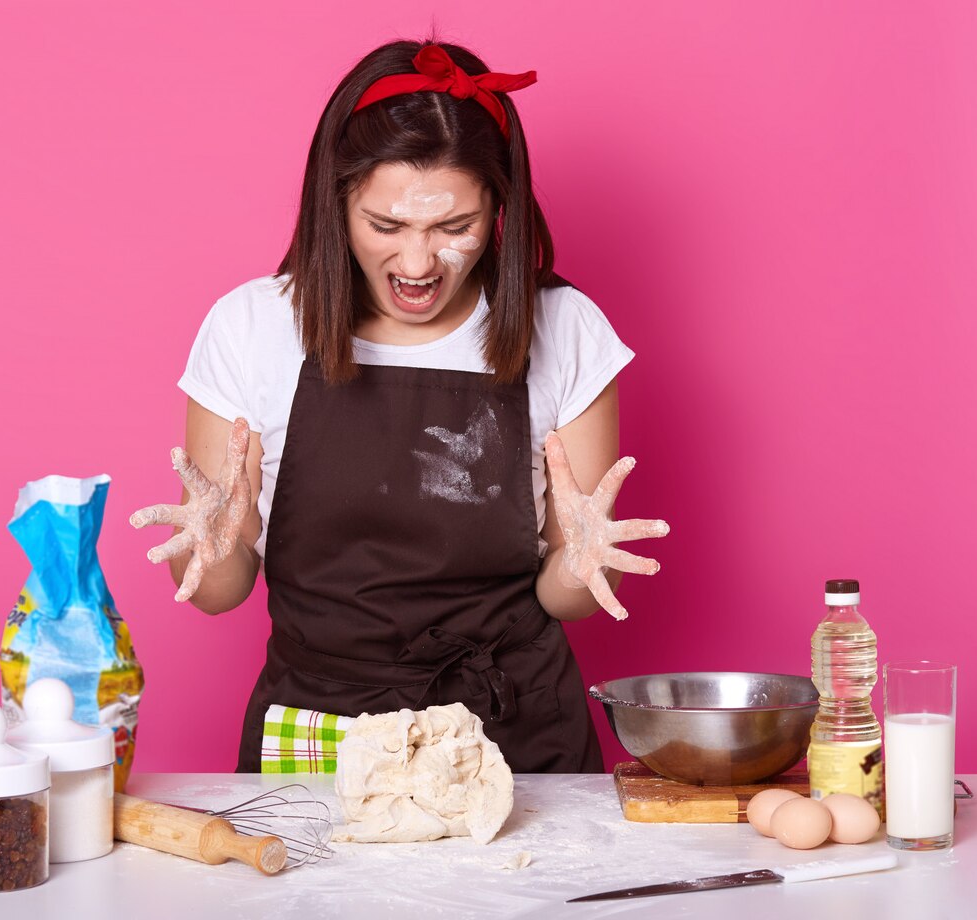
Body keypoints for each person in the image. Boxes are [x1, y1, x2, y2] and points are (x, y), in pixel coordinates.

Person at [131, 40, 670, 774]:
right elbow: (217, 595)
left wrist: (578, 562)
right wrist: (218, 542)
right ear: (337, 201)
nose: (418, 265)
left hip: (507, 731)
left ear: (500, 208)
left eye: (455, 228)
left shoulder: (567, 330)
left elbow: (566, 596)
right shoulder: (252, 328)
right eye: (385, 226)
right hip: (322, 730)